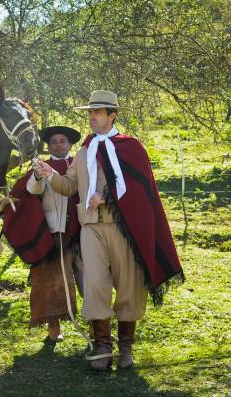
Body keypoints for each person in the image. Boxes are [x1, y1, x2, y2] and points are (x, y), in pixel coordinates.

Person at [33, 90, 184, 370]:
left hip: (123, 228)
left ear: (112, 115)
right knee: (94, 286)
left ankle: (126, 345)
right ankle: (102, 344)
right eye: (90, 112)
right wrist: (50, 175)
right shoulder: (83, 151)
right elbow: (69, 187)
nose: (91, 117)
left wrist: (108, 196)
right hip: (91, 228)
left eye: (97, 112)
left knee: (128, 285)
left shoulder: (132, 148)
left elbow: (139, 190)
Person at [2, 126, 83, 342]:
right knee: (51, 281)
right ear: (48, 146)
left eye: (62, 141)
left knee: (89, 279)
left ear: (70, 144)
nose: (58, 144)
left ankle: (96, 326)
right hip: (54, 231)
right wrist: (38, 176)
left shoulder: (79, 165)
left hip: (82, 231)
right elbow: (31, 191)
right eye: (54, 141)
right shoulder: (41, 167)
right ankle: (53, 328)